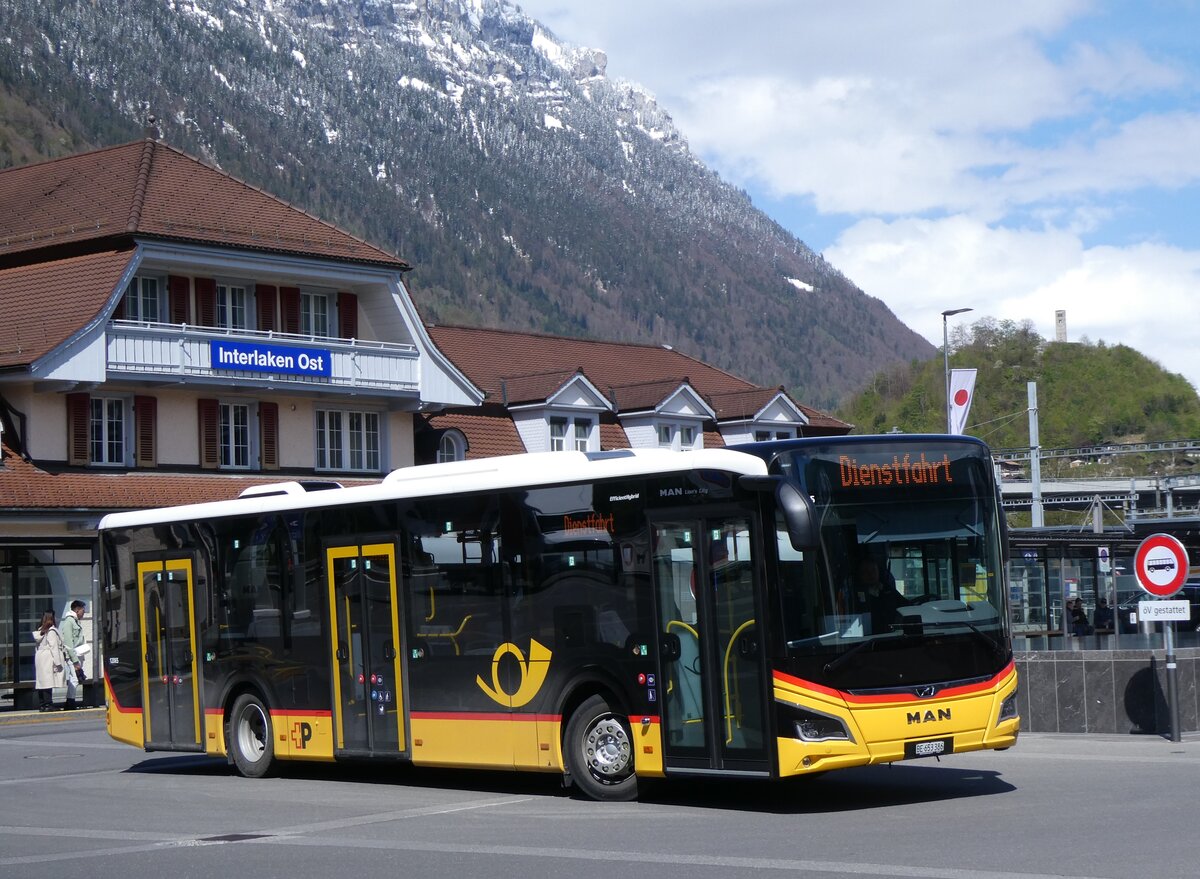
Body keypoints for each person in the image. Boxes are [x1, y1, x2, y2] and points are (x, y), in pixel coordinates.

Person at [854, 556, 908, 634]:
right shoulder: (855, 596)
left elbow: (906, 606)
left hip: (892, 635)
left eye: (873, 570)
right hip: (869, 637)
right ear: (859, 575)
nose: (871, 574)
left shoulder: (888, 590)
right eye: (866, 571)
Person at [33, 610, 67, 712]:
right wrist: (58, 662)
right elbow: (54, 647)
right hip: (48, 657)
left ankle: (42, 705)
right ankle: (48, 704)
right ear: (51, 618)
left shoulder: (40, 630)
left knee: (41, 682)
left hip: (40, 656)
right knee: (48, 681)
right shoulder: (51, 631)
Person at [61, 599, 88, 709]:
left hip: (78, 655)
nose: (84, 613)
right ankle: (70, 702)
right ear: (77, 610)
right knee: (75, 678)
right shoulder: (69, 622)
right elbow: (68, 644)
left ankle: (69, 702)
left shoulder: (75, 621)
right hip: (73, 656)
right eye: (83, 610)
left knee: (74, 678)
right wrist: (75, 660)